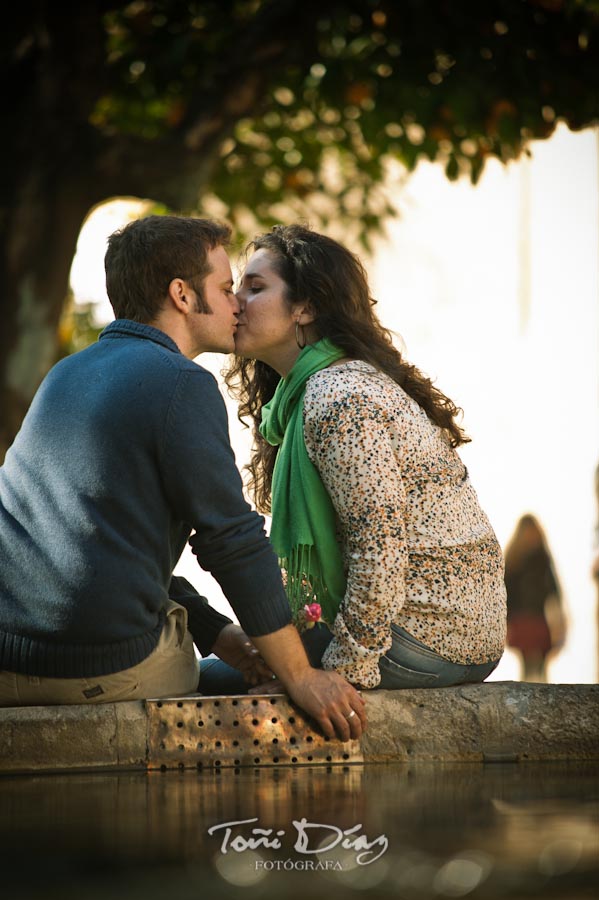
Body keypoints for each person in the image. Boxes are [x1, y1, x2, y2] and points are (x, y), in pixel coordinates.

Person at [0, 215, 365, 741]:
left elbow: (93, 542)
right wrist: (302, 677)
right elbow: (231, 541)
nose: (238, 303)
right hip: (95, 668)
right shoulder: (181, 383)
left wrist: (217, 632)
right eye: (224, 287)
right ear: (182, 295)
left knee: (220, 650)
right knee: (247, 687)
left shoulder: (65, 375)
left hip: (9, 661)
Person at [222, 223, 506, 691]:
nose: (236, 303)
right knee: (250, 661)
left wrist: (338, 675)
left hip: (427, 637)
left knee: (215, 681)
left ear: (305, 307)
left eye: (255, 288)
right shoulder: (308, 395)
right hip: (440, 634)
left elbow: (381, 546)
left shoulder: (338, 396)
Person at [504, 514, 566, 682]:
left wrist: (560, 620)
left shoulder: (541, 559)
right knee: (529, 663)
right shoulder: (514, 561)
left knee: (539, 664)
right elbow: (506, 593)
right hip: (522, 619)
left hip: (538, 618)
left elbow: (554, 591)